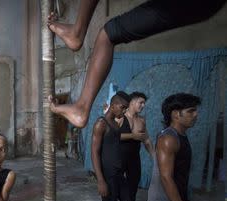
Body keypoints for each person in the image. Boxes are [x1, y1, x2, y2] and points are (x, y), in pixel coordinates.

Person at [47, 0, 225, 128]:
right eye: (138, 103)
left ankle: (77, 32)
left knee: (107, 35)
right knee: (108, 34)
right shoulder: (109, 123)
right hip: (204, 6)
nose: (140, 107)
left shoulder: (137, 123)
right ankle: (77, 33)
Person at [91, 91, 133, 201]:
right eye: (122, 107)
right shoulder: (101, 124)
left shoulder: (115, 124)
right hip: (107, 175)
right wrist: (100, 180)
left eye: (125, 108)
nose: (123, 111)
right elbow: (94, 152)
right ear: (113, 104)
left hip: (118, 174)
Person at [117, 92, 154, 201]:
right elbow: (113, 136)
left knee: (133, 189)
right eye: (141, 102)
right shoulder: (120, 117)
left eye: (144, 103)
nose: (143, 106)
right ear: (132, 102)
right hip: (118, 159)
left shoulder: (142, 121)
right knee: (115, 189)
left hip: (134, 159)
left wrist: (155, 159)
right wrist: (132, 135)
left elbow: (147, 141)